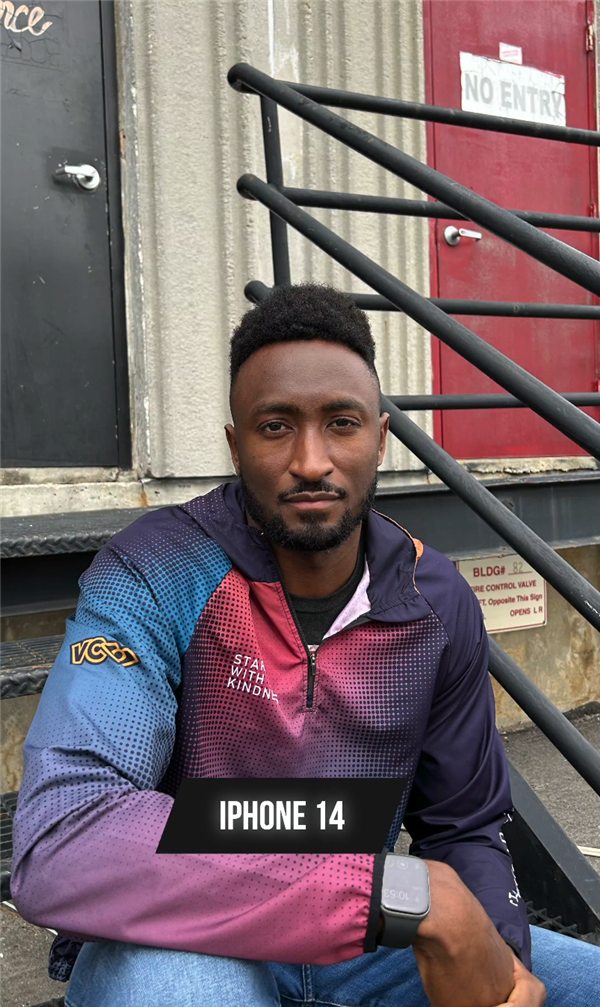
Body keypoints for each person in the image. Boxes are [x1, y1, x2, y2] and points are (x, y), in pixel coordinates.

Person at [11, 285, 599, 1007]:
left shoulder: (436, 600)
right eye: (276, 427)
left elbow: (465, 823)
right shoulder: (155, 570)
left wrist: (495, 957)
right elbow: (65, 833)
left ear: (380, 439)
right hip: (190, 936)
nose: (312, 461)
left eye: (341, 423)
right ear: (236, 447)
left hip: (364, 944)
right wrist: (390, 889)